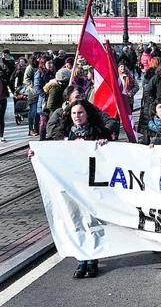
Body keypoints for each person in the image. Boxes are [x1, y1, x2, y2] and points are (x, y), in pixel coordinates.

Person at [45, 99, 113, 278]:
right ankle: (81, 259)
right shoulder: (62, 134)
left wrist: (105, 145)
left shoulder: (99, 132)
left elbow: (111, 157)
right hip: (71, 186)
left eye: (81, 113)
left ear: (87, 114)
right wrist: (36, 154)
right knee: (75, 222)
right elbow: (50, 154)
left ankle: (93, 259)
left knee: (92, 222)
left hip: (91, 185)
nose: (77, 116)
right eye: (74, 113)